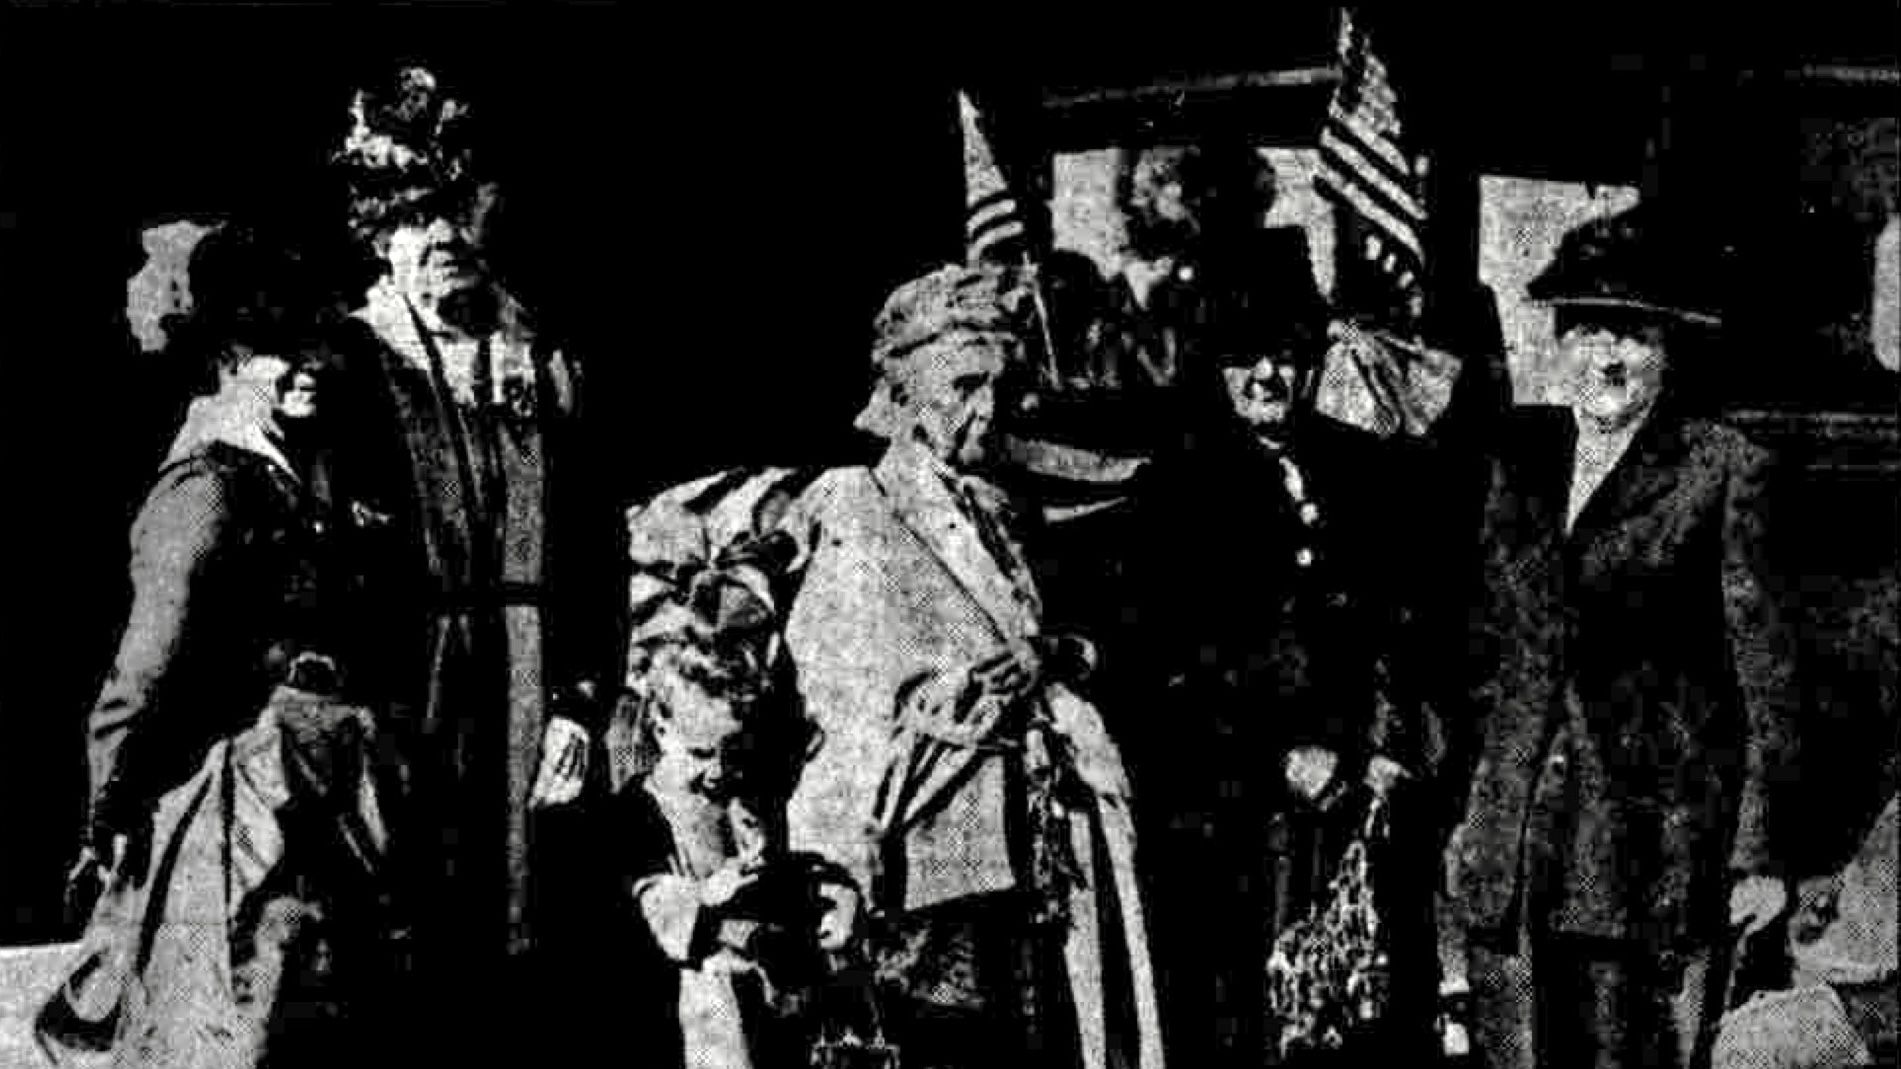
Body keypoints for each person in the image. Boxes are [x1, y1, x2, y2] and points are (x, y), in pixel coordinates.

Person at [774, 264, 1166, 1069]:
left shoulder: (1002, 509)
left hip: (1028, 857)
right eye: (961, 384)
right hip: (923, 868)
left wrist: (1052, 658)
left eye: (999, 384)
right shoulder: (855, 506)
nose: (985, 408)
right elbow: (842, 708)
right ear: (904, 389)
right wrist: (842, 866)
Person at [36, 224, 406, 1068]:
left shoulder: (301, 480)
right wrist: (110, 815)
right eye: (273, 350)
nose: (305, 364)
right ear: (222, 363)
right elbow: (145, 671)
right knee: (239, 1014)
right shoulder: (207, 488)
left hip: (337, 787)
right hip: (245, 803)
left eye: (315, 342)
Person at [1444, 206, 1802, 1069]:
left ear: (1667, 347)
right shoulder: (1519, 465)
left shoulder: (1721, 468)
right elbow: (1484, 656)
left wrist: (1756, 856)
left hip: (1645, 859)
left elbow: (1768, 683)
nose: (1607, 356)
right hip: (1516, 850)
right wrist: (1468, 810)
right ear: (1559, 342)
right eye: (1588, 329)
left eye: (1632, 334)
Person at [323, 64, 624, 1040]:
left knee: (535, 930)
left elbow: (593, 549)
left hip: (533, 677)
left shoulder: (543, 360)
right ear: (379, 233)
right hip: (409, 681)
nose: (444, 235)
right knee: (409, 920)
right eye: (416, 216)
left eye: (460, 209)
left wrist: (581, 700)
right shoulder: (354, 366)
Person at [1114, 305, 1436, 1067]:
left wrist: (1388, 746)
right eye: (1243, 356)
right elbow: (1157, 668)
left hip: (1357, 808)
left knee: (1362, 1022)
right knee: (1246, 1026)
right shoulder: (1175, 483)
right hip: (1229, 820)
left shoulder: (1363, 467)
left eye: (1285, 354)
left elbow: (1404, 624)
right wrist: (1275, 756)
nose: (1266, 374)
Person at [603, 531, 861, 1069]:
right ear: (659, 723)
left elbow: (783, 866)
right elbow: (647, 907)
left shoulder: (744, 794)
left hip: (767, 995)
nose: (717, 772)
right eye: (701, 753)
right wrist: (705, 894)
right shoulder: (641, 810)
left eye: (729, 753)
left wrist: (828, 890)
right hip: (695, 1007)